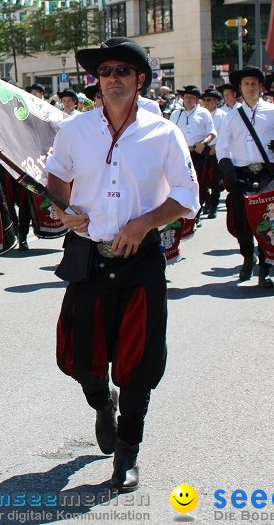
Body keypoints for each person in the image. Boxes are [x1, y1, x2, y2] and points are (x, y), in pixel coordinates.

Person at [47, 37, 198, 493]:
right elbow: (55, 174)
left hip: (140, 263)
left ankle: (128, 454)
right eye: (106, 70)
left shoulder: (164, 133)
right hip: (89, 258)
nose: (113, 77)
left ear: (139, 81)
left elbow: (187, 197)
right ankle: (101, 404)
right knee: (82, 362)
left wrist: (146, 222)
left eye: (123, 71)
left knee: (139, 365)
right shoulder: (75, 129)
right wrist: (59, 206)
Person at [215, 67, 274, 287]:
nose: (250, 88)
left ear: (261, 87)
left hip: (268, 172)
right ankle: (248, 257)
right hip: (241, 174)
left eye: (254, 84)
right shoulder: (231, 117)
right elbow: (222, 148)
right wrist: (227, 167)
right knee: (242, 220)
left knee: (269, 220)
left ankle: (266, 265)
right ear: (240, 88)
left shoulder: (273, 112)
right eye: (246, 84)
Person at [168, 85, 216, 214]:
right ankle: (182, 211)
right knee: (180, 182)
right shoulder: (176, 114)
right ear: (182, 98)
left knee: (199, 182)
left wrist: (204, 143)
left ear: (196, 99)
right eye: (186, 97)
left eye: (192, 97)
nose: (189, 99)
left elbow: (212, 133)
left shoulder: (203, 112)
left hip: (197, 153)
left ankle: (197, 212)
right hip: (181, 153)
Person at [201, 88, 226, 217]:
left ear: (215, 101)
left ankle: (214, 205)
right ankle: (206, 202)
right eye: (204, 100)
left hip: (217, 150)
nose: (205, 102)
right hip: (203, 150)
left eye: (209, 100)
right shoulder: (201, 114)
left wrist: (217, 146)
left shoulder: (222, 115)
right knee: (203, 179)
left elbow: (225, 134)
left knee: (215, 180)